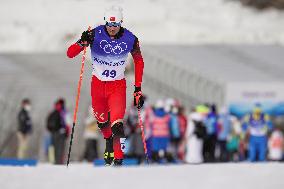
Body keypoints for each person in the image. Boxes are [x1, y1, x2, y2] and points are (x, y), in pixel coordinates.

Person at [67, 6, 144, 166]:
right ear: (105, 22)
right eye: (109, 24)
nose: (112, 28)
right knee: (102, 122)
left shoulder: (131, 38)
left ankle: (119, 160)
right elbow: (70, 53)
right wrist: (82, 42)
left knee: (117, 124)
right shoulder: (94, 34)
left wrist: (137, 88)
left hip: (117, 87)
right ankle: (108, 141)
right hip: (98, 86)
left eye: (115, 25)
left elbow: (139, 61)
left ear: (121, 23)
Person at [46, 98, 70, 164]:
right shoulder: (64, 112)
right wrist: (67, 133)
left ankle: (53, 161)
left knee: (53, 148)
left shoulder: (52, 113)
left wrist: (51, 131)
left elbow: (47, 124)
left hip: (53, 133)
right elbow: (68, 123)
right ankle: (59, 162)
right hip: (61, 132)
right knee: (61, 148)